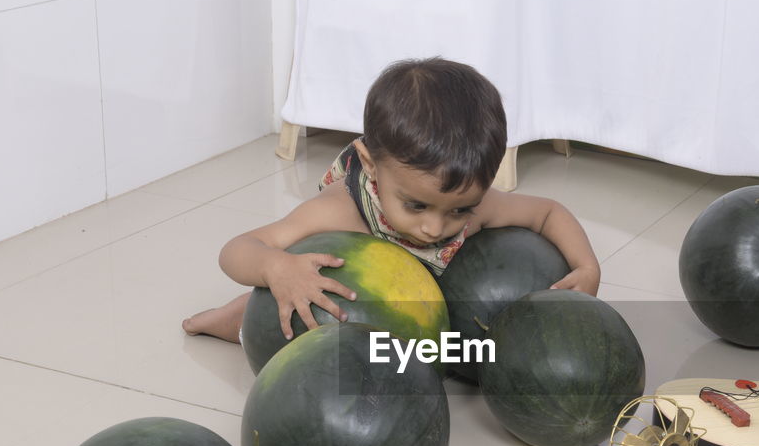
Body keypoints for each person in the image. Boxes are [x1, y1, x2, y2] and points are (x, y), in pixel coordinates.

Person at [182, 57, 600, 343]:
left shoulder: (474, 205)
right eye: (416, 206)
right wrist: (277, 267)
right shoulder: (340, 212)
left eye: (459, 209)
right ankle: (227, 320)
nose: (435, 228)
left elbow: (548, 213)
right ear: (371, 164)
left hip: (411, 307)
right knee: (269, 309)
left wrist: (586, 265)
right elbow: (236, 250)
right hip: (346, 289)